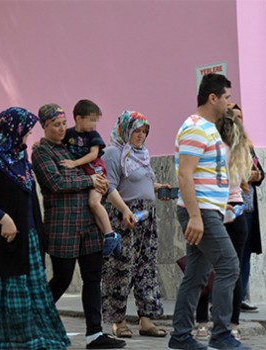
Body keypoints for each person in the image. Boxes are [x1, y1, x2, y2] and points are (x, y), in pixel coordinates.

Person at [0, 107, 71, 349]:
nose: (27, 137)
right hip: (2, 243)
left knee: (31, 294)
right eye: (25, 132)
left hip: (29, 238)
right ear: (10, 132)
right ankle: (3, 341)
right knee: (8, 294)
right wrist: (4, 218)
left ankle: (34, 339)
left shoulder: (20, 160)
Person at [31, 103, 126, 349]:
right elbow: (56, 182)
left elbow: (93, 171)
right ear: (45, 126)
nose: (62, 129)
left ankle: (95, 334)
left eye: (64, 124)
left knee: (93, 279)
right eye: (56, 125)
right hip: (62, 226)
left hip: (87, 225)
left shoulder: (72, 147)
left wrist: (98, 183)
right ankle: (34, 321)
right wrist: (89, 180)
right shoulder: (41, 153)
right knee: (61, 279)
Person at [168, 73, 251, 350]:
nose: (230, 103)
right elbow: (184, 175)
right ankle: (222, 335)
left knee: (196, 275)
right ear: (212, 98)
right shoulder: (194, 128)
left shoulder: (210, 128)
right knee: (229, 266)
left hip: (208, 210)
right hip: (199, 212)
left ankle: (180, 336)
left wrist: (220, 204)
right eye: (226, 97)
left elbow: (207, 174)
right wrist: (195, 216)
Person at [101, 110, 169, 339]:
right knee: (120, 269)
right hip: (124, 217)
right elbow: (109, 187)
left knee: (146, 268)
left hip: (146, 217)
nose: (140, 135)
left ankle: (146, 320)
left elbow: (140, 181)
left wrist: (157, 188)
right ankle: (118, 322)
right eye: (136, 130)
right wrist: (125, 210)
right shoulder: (113, 152)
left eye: (144, 131)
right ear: (125, 129)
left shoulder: (141, 153)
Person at [195, 108, 253, 340]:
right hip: (236, 214)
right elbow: (245, 181)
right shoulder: (242, 152)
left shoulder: (214, 152)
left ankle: (201, 324)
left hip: (216, 212)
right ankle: (232, 325)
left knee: (204, 270)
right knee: (234, 271)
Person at [62, 100, 122, 254]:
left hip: (96, 172)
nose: (95, 124)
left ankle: (109, 234)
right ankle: (112, 235)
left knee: (94, 202)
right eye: (92, 120)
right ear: (79, 118)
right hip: (83, 176)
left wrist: (75, 163)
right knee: (91, 207)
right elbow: (55, 144)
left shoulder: (93, 135)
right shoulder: (68, 134)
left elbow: (93, 154)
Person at [229, 104, 265, 314]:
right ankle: (224, 298)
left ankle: (241, 297)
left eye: (241, 117)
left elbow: (259, 172)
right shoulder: (225, 145)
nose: (239, 121)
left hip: (249, 208)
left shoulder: (247, 146)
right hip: (232, 206)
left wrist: (256, 176)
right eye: (235, 117)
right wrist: (243, 177)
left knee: (246, 254)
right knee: (231, 254)